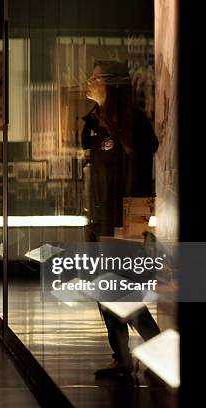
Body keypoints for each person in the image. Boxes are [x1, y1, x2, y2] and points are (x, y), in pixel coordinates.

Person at [82, 60, 161, 378]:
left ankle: (155, 351)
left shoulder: (134, 124)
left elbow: (141, 176)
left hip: (124, 222)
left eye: (96, 77)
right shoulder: (92, 123)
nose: (89, 81)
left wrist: (134, 225)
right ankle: (121, 358)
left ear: (112, 84)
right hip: (98, 220)